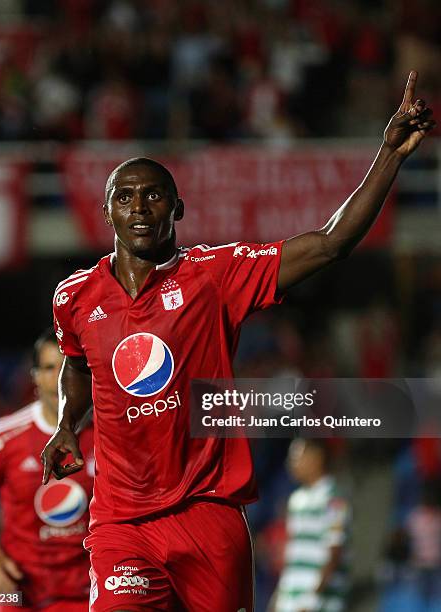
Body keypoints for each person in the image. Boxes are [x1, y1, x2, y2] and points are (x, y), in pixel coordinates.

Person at [42, 72, 435, 612]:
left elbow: (330, 243)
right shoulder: (75, 296)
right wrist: (67, 423)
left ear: (177, 210)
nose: (139, 207)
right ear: (108, 210)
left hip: (209, 511)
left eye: (154, 195)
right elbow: (77, 365)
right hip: (122, 520)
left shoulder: (214, 276)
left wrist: (389, 154)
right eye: (125, 197)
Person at [0, 329, 94, 612]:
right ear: (33, 377)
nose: (59, 377)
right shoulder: (4, 437)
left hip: (90, 591)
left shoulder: (108, 434)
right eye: (48, 367)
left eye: (66, 366)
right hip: (24, 595)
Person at [268, 439, 350, 612]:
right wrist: (278, 597)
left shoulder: (334, 498)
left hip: (319, 602)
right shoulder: (296, 500)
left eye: (296, 456)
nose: (290, 463)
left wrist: (311, 600)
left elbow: (334, 551)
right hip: (289, 600)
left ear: (317, 457)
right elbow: (293, 555)